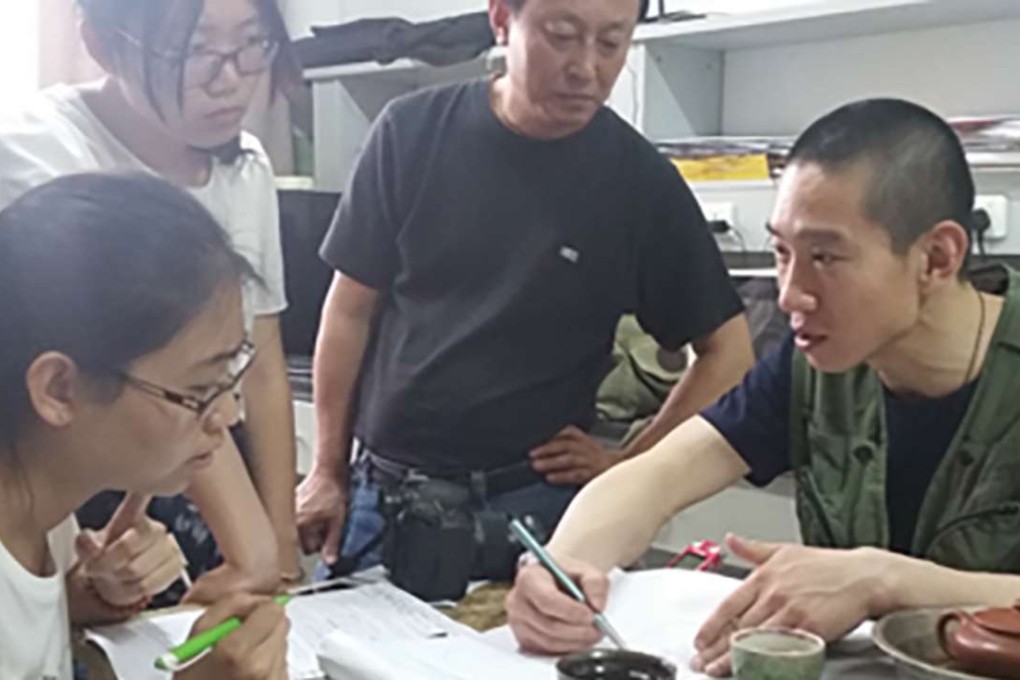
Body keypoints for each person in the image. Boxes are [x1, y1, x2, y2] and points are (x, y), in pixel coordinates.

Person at [506, 97, 1020, 676]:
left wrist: (885, 579)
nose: (790, 295)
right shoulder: (813, 367)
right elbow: (655, 477)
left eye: (825, 256)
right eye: (781, 253)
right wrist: (562, 568)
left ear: (937, 257)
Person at [296, 0, 754, 576]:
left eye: (611, 43)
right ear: (502, 19)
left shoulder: (638, 183)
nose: (586, 67)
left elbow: (728, 353)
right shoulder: (409, 133)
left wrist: (628, 465)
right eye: (562, 35)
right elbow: (348, 313)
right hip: (385, 497)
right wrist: (326, 469)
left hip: (536, 511)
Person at [0, 0, 303, 595]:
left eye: (251, 43)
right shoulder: (43, 158)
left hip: (180, 445)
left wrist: (281, 554)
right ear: (103, 46)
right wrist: (254, 550)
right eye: (194, 51)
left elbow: (260, 365)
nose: (231, 78)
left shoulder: (245, 166)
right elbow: (124, 377)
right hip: (87, 460)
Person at [0, 172, 289, 679]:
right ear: (58, 390)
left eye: (229, 381)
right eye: (198, 392)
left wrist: (90, 591)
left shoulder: (41, 504)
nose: (227, 416)